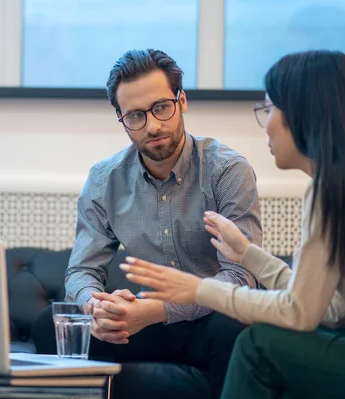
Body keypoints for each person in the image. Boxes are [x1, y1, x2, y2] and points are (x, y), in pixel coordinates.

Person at [120, 50, 345, 398]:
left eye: (269, 109)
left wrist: (198, 289)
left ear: (303, 112)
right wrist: (247, 254)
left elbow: (300, 312)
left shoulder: (331, 191)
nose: (265, 123)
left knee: (257, 343)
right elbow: (331, 310)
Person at [33, 48, 264, 398]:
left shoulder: (227, 170)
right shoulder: (104, 179)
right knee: (52, 324)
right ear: (121, 119)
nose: (153, 126)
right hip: (143, 324)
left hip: (211, 321)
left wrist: (157, 311)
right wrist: (96, 305)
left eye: (161, 108)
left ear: (181, 101)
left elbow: (241, 278)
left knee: (236, 327)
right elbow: (81, 271)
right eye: (136, 116)